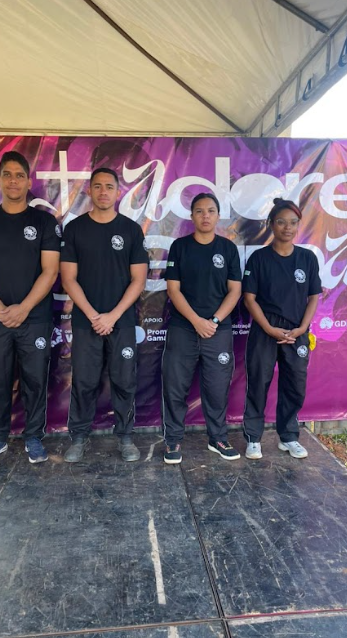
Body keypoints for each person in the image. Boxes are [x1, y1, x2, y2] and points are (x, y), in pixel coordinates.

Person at [0, 151, 61, 465]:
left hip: (34, 318)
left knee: (35, 380)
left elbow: (50, 271)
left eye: (19, 175)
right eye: (7, 174)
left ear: (29, 182)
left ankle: (33, 437)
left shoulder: (44, 222)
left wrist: (23, 308)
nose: (13, 181)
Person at [61, 167, 148, 463]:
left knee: (124, 380)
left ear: (118, 192)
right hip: (86, 322)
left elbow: (138, 280)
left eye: (109, 187)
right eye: (97, 186)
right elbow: (68, 279)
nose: (103, 192)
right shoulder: (75, 229)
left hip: (121, 322)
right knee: (84, 381)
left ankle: (125, 436)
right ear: (89, 190)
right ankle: (79, 437)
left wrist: (112, 316)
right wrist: (94, 316)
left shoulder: (131, 230)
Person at [162, 192, 242, 464]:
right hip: (183, 328)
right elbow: (173, 290)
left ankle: (217, 438)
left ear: (218, 216)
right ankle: (173, 440)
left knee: (217, 388)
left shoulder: (228, 249)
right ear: (192, 216)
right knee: (175, 387)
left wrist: (214, 321)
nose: (205, 216)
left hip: (217, 330)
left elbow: (235, 291)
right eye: (199, 211)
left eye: (210, 211)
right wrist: (196, 321)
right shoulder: (180, 247)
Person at [242, 197, 321, 460]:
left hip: (296, 332)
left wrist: (302, 329)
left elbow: (313, 297)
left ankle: (288, 437)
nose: (288, 228)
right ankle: (253, 438)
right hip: (265, 330)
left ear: (298, 225)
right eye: (281, 222)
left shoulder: (307, 258)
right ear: (271, 224)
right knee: (258, 383)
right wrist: (268, 328)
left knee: (295, 384)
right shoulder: (259, 258)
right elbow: (249, 298)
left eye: (293, 223)